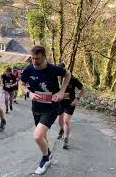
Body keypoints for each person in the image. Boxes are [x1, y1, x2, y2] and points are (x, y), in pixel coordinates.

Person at [20, 46, 71, 175]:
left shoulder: (53, 69)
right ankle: (48, 154)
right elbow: (22, 83)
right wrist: (29, 93)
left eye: (37, 58)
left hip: (52, 107)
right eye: (32, 58)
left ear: (44, 57)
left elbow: (68, 74)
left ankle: (46, 158)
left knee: (37, 136)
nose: (34, 61)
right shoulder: (29, 69)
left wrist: (62, 91)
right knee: (42, 135)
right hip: (36, 107)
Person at [56, 63, 84, 149]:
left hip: (70, 103)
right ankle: (62, 129)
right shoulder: (56, 78)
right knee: (59, 121)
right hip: (60, 102)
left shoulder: (73, 79)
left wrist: (77, 99)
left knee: (66, 121)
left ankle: (66, 139)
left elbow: (82, 89)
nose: (59, 75)